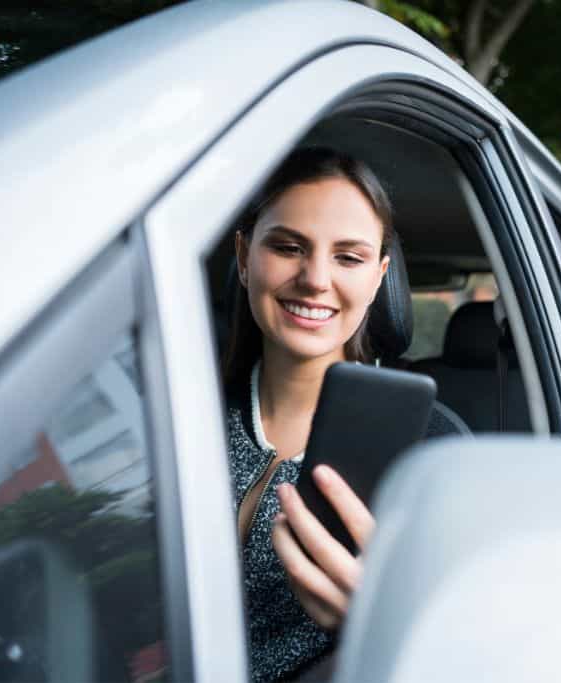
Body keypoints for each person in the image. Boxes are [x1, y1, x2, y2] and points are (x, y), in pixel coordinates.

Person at [222, 147, 395, 682]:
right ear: (244, 255)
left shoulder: (425, 449)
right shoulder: (177, 409)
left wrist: (378, 625)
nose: (316, 279)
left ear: (379, 276)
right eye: (289, 247)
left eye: (349, 257)